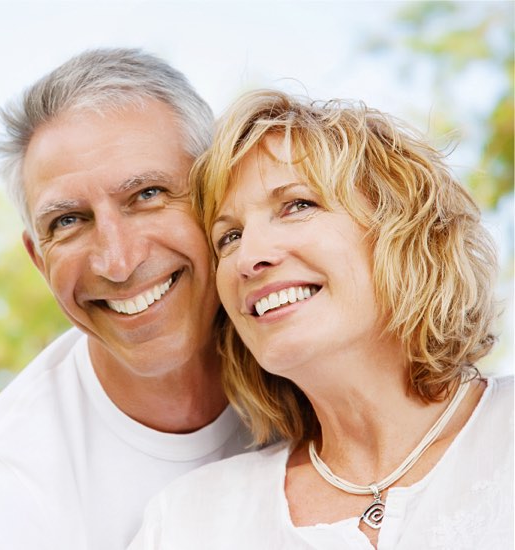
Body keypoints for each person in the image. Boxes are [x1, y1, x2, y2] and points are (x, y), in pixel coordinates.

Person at [128, 90, 513, 549]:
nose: (249, 258)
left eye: (297, 206)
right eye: (229, 237)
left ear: (404, 232)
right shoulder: (188, 521)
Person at [0, 48, 253, 550]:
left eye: (147, 195)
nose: (117, 262)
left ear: (218, 193)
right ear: (38, 258)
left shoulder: (315, 359)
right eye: (68, 222)